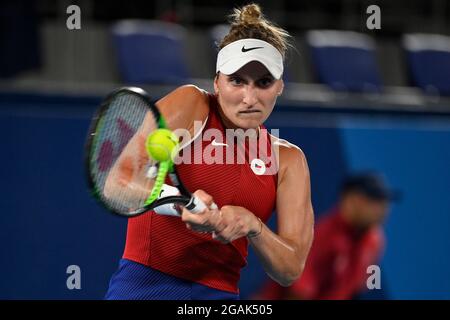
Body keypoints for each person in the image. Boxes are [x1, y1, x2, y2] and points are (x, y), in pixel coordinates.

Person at [105, 3, 314, 300]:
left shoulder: (289, 160)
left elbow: (290, 269)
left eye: (264, 82)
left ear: (280, 86)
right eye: (237, 81)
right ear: (217, 82)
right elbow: (116, 183)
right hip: (145, 288)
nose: (249, 97)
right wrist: (179, 203)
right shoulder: (192, 105)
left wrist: (254, 226)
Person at [254, 172, 395, 300]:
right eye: (373, 200)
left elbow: (353, 289)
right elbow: (298, 294)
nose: (382, 209)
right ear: (352, 201)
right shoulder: (322, 237)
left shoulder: (374, 241)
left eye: (383, 202)